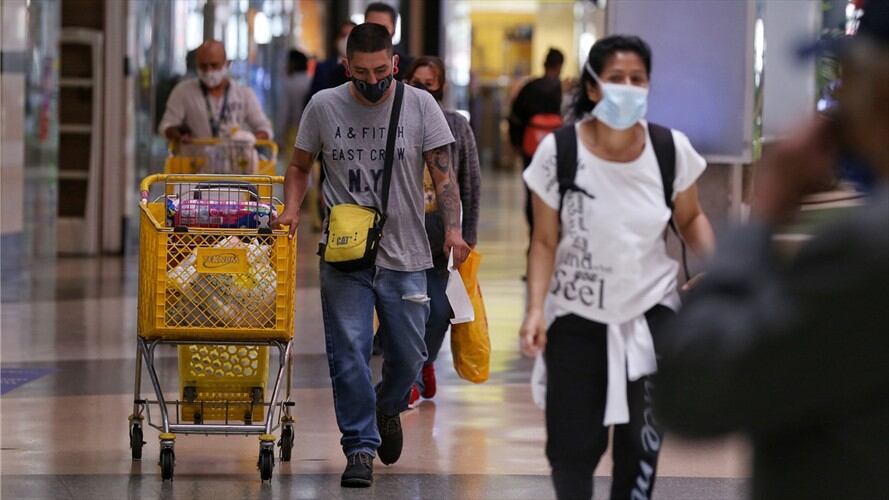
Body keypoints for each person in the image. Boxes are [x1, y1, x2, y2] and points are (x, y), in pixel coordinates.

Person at [654, 2, 889, 499]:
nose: (837, 99)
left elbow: (698, 390)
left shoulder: (864, 253)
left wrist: (762, 218)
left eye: (848, 77)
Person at [518, 35, 716, 500]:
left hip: (651, 317)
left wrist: (723, 270)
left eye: (637, 79)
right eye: (615, 79)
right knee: (570, 450)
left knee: (640, 448)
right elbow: (545, 241)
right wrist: (534, 310)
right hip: (574, 318)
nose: (628, 88)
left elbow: (689, 218)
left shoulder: (670, 149)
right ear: (592, 88)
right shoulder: (559, 152)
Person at [274, 23, 470, 488]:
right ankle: (359, 446)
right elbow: (300, 166)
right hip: (346, 254)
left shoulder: (420, 106)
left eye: (381, 70)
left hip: (406, 252)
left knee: (409, 353)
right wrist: (292, 208)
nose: (372, 80)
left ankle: (387, 405)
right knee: (349, 353)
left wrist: (455, 230)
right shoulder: (324, 106)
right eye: (361, 72)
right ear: (346, 68)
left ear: (394, 64)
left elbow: (444, 178)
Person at [403, 56, 481, 406]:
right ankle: (413, 375)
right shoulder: (398, 123)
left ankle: (426, 362)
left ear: (441, 87)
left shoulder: (456, 126)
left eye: (428, 84)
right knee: (404, 310)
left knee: (439, 310)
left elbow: (470, 182)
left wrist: (469, 232)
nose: (421, 90)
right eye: (415, 83)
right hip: (401, 233)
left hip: (440, 233)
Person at [158, 40, 272, 142]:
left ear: (226, 64)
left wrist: (249, 139)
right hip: (194, 161)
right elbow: (166, 126)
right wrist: (176, 134)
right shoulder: (183, 92)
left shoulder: (244, 94)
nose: (209, 71)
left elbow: (265, 128)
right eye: (203, 66)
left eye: (214, 65)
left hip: (234, 162)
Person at [508, 48, 565, 244]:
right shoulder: (563, 90)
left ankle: (535, 238)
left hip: (531, 148)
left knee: (533, 191)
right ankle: (554, 236)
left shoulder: (530, 87)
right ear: (560, 66)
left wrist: (516, 143)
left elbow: (514, 117)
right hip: (560, 150)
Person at [364, 2, 413, 80]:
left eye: (383, 27)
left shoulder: (410, 68)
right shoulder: (347, 69)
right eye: (371, 26)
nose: (377, 32)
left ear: (393, 30)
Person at [307, 21, 355, 101]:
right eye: (343, 36)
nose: (347, 40)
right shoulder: (322, 68)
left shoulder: (365, 66)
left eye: (351, 36)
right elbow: (314, 98)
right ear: (336, 40)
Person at [278, 49, 311, 162]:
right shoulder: (311, 80)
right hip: (312, 130)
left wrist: (279, 136)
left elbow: (283, 112)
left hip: (294, 132)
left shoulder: (288, 83)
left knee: (293, 165)